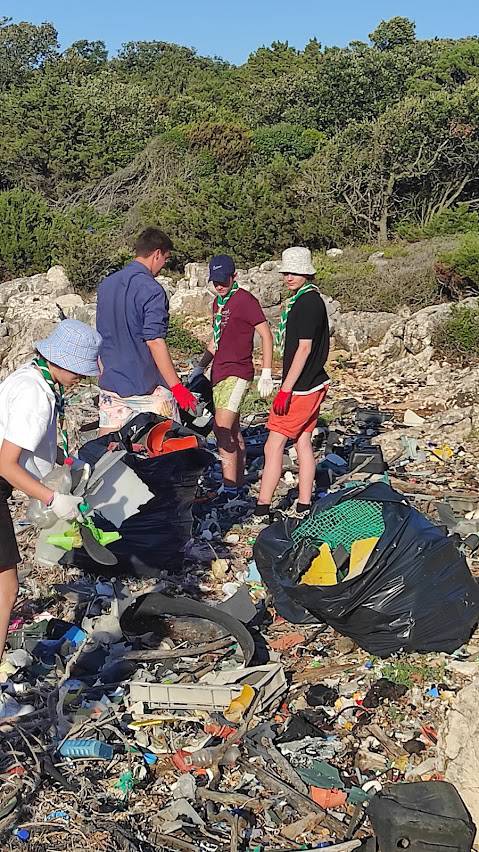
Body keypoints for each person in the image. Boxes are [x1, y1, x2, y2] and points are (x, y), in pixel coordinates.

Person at [0, 319, 102, 660]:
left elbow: (23, 437)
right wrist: (53, 498)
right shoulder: (37, 395)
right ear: (62, 362)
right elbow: (7, 463)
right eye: (78, 371)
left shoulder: (30, 375)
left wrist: (62, 460)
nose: (81, 379)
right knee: (6, 585)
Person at [253, 247, 330, 522]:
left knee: (273, 445)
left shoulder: (308, 303)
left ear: (306, 273)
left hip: (301, 387)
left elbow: (304, 348)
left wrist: (285, 387)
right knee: (303, 443)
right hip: (314, 383)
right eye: (286, 272)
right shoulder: (305, 299)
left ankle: (263, 506)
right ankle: (304, 504)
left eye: (294, 272)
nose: (289, 277)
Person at [96, 227, 196, 436]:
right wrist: (177, 388)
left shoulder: (107, 285)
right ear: (157, 254)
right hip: (146, 385)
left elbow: (101, 335)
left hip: (112, 383)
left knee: (108, 453)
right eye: (165, 259)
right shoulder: (152, 290)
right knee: (169, 450)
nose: (162, 266)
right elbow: (154, 341)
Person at [191, 255, 273, 499]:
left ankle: (228, 486)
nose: (219, 286)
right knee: (233, 428)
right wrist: (200, 366)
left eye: (223, 281)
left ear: (233, 277)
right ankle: (237, 483)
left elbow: (266, 335)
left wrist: (266, 372)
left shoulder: (245, 301)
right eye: (215, 281)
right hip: (219, 372)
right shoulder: (217, 303)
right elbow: (215, 340)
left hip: (238, 371)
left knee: (221, 427)